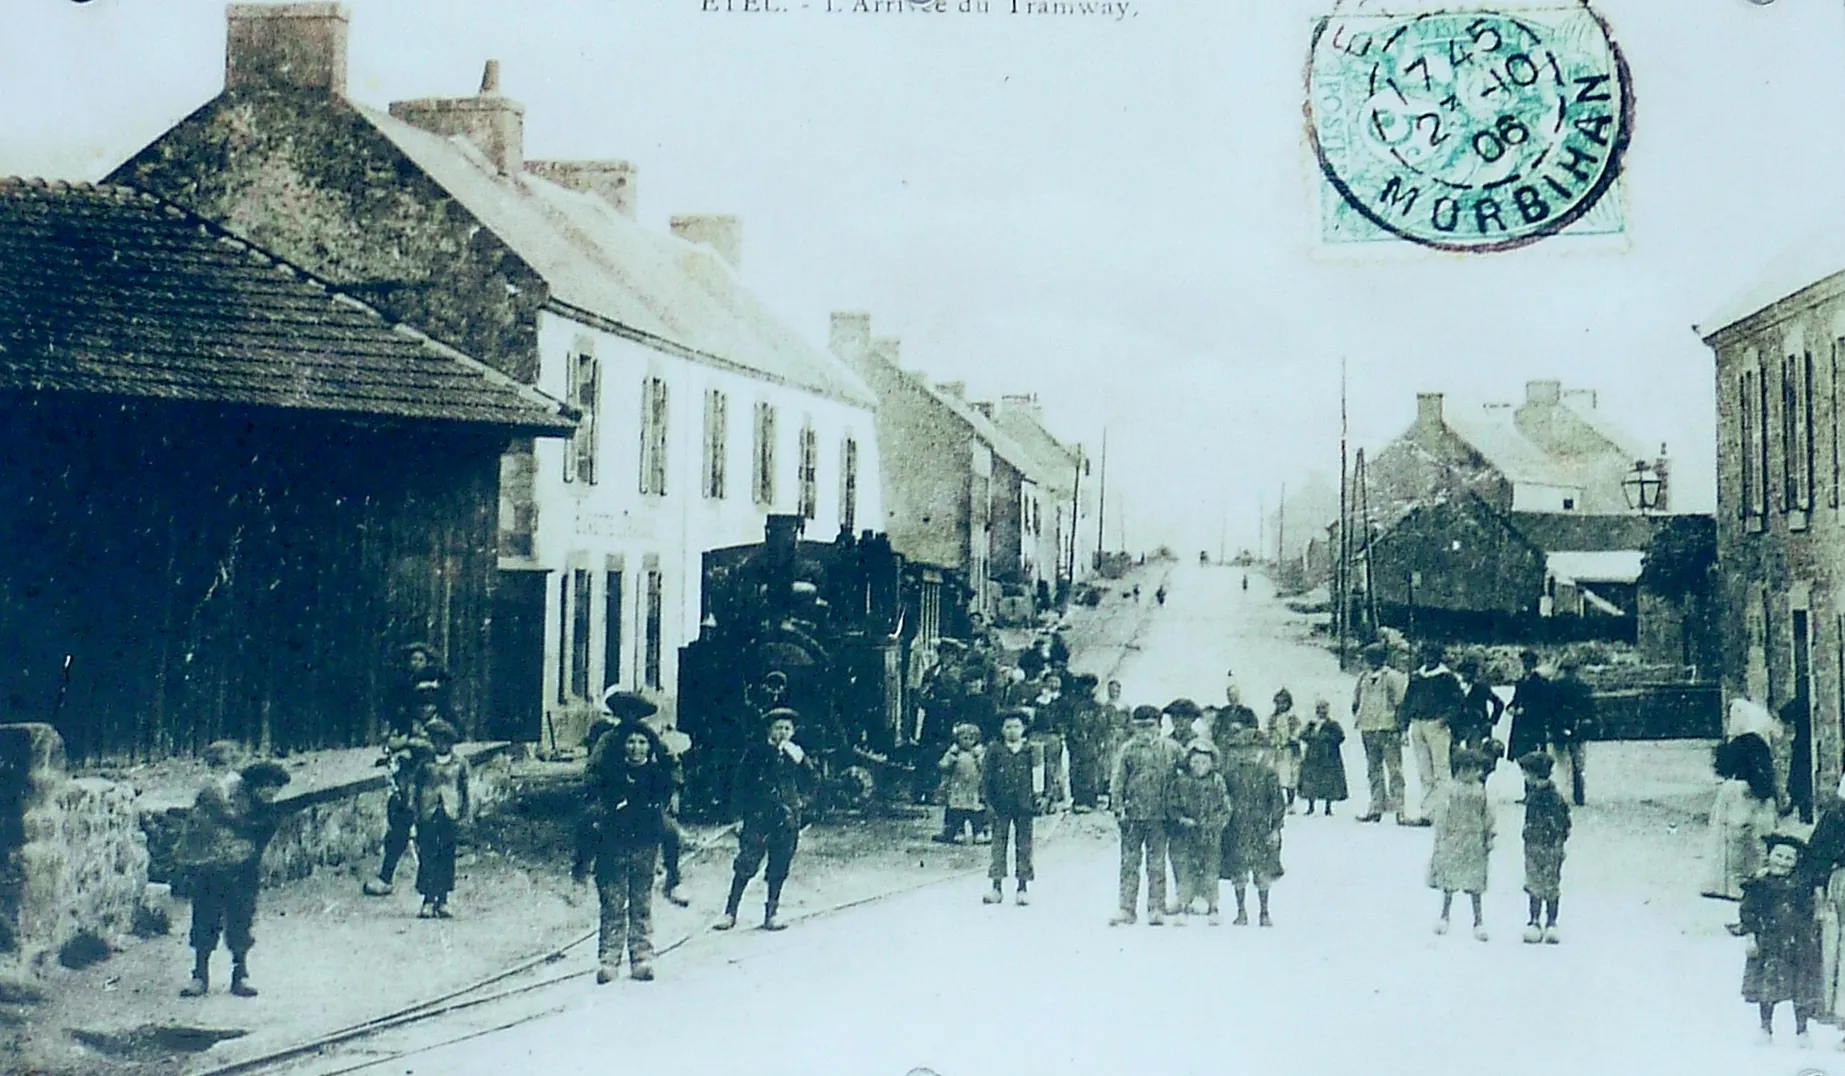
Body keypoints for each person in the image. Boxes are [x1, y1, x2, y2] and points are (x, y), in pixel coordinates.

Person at [175, 754, 291, 998]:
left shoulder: (268, 813)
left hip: (243, 873)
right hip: (212, 870)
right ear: (255, 786)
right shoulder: (226, 798)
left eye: (275, 789)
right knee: (204, 920)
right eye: (267, 787)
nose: (271, 793)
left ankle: (240, 975)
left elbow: (254, 835)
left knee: (241, 923)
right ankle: (199, 975)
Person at [577, 718, 672, 983]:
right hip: (613, 844)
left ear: (650, 747)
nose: (636, 747)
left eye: (642, 742)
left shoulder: (657, 776)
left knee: (641, 901)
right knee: (612, 903)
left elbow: (661, 803)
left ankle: (641, 957)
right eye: (631, 742)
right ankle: (608, 960)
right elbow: (597, 802)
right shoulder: (610, 775)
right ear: (623, 746)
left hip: (644, 844)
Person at [715, 707, 816, 932]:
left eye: (787, 728)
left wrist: (802, 803)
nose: (783, 732)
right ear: (769, 729)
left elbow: (813, 780)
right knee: (746, 864)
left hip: (787, 819)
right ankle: (730, 912)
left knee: (779, 866)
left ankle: (771, 914)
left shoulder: (796, 755)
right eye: (778, 727)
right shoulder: (755, 752)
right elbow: (739, 785)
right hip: (758, 818)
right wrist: (738, 817)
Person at [363, 645, 450, 897]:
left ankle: (433, 891)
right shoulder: (405, 718)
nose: (425, 706)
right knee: (399, 826)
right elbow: (392, 742)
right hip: (408, 778)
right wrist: (401, 744)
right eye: (420, 701)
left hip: (433, 783)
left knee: (429, 834)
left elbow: (445, 745)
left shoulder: (443, 723)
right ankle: (386, 877)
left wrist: (416, 744)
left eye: (430, 700)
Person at [1741, 835, 1823, 1046]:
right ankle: (1765, 1027)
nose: (1783, 861)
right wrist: (1751, 938)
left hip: (1799, 942)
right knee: (1767, 987)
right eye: (1778, 855)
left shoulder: (1801, 883)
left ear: (1796, 862)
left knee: (1801, 986)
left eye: (1789, 858)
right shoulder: (1758, 884)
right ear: (1769, 856)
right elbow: (1748, 913)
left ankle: (1802, 1031)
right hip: (1770, 942)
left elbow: (1811, 908)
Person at [1110, 705, 1179, 926]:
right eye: (1139, 727)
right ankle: (1127, 908)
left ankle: (1156, 907)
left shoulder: (1172, 749)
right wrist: (1118, 807)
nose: (1144, 732)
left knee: (1156, 863)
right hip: (1132, 815)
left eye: (1149, 726)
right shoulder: (1127, 750)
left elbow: (1187, 776)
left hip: (1160, 816)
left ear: (1159, 727)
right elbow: (1117, 780)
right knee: (1130, 862)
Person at [1702, 732, 1780, 905]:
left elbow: (1718, 828)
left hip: (1734, 863)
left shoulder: (1730, 789)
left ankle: (1726, 885)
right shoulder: (1766, 791)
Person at [1220, 727, 1286, 927]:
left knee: (1262, 872)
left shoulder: (1268, 775)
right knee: (1238, 872)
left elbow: (1277, 803)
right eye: (1242, 749)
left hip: (1261, 829)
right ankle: (1241, 911)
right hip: (1236, 828)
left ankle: (1264, 912)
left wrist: (1275, 828)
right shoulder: (1229, 775)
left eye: (1252, 749)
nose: (1247, 753)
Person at [1428, 747, 1494, 941]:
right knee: (1450, 882)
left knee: (1475, 884)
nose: (1476, 773)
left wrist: (1489, 835)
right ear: (1461, 770)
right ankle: (1444, 915)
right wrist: (1441, 838)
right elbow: (1442, 816)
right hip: (1454, 840)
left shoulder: (1480, 791)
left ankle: (1478, 920)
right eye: (1472, 769)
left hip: (1474, 841)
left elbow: (1487, 815)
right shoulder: (1450, 791)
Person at [981, 709, 1045, 906]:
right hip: (1000, 805)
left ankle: (1022, 887)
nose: (1012, 731)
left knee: (1024, 845)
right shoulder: (995, 750)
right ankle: (996, 887)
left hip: (1024, 805)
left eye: (1016, 726)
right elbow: (986, 777)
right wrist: (987, 801)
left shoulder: (1031, 750)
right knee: (998, 845)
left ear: (1024, 728)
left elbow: (1039, 774)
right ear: (1001, 729)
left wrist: (1040, 796)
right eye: (1008, 727)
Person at [1399, 642, 1466, 828]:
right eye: (1425, 654)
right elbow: (1407, 702)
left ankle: (1445, 813)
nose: (1428, 658)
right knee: (1424, 772)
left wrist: (1445, 720)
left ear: (1438, 657)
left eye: (1432, 655)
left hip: (1437, 725)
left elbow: (1458, 703)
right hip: (1418, 725)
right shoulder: (1417, 677)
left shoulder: (1446, 678)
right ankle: (1428, 813)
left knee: (1441, 770)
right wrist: (1404, 727)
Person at [1799, 772, 1845, 1035]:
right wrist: (1818, 887)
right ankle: (1837, 1008)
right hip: (1841, 881)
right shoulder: (1837, 815)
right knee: (1835, 946)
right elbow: (1818, 853)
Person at [411, 718, 470, 919]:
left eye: (444, 741)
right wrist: (416, 813)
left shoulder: (460, 764)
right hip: (428, 812)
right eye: (436, 740)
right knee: (427, 854)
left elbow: (464, 790)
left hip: (449, 812)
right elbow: (416, 789)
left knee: (446, 855)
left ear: (451, 743)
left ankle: (443, 899)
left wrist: (464, 813)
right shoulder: (425, 764)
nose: (440, 744)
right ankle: (428, 899)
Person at [1170, 740, 1230, 924]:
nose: (1199, 767)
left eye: (1204, 762)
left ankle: (1212, 906)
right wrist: (1181, 819)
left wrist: (1215, 823)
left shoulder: (1217, 781)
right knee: (1184, 868)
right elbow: (1172, 805)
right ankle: (1184, 905)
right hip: (1185, 833)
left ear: (1212, 763)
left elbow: (1225, 808)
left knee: (1210, 869)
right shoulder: (1181, 781)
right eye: (1195, 762)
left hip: (1210, 833)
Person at [1352, 643, 1409, 824]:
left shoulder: (1392, 677)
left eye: (1375, 658)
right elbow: (1356, 701)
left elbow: (1400, 703)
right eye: (1369, 658)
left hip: (1388, 727)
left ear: (1382, 659)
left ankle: (1400, 809)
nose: (1371, 662)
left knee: (1394, 770)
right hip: (1368, 728)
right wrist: (1360, 716)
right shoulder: (1363, 677)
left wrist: (1400, 727)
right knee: (1373, 769)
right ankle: (1375, 807)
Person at [1518, 751, 1571, 944]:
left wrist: (1556, 839)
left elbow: (1562, 823)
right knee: (1542, 884)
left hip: (1546, 846)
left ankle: (1545, 921)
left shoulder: (1550, 798)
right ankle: (1543, 921)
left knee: (1543, 885)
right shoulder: (1544, 795)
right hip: (1536, 845)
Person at [1548, 655, 1594, 806]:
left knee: (1563, 762)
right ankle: (1577, 793)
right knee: (1577, 763)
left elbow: (1551, 709)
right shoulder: (1583, 686)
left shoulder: (1555, 686)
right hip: (1576, 728)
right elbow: (1590, 709)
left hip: (1561, 727)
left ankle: (1565, 793)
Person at [934, 722, 988, 845]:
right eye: (964, 738)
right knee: (956, 811)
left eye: (971, 739)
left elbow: (985, 767)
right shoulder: (954, 753)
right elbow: (943, 765)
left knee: (977, 812)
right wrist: (950, 759)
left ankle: (979, 832)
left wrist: (979, 758)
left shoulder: (978, 754)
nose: (967, 741)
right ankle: (958, 832)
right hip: (957, 787)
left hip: (973, 788)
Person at [1297, 699, 1348, 817]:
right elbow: (1302, 735)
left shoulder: (1332, 725)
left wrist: (1327, 738)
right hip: (1313, 756)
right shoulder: (1312, 724)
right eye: (1319, 709)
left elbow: (1340, 737)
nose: (1321, 711)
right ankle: (1310, 806)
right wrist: (1312, 737)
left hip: (1328, 756)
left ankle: (1328, 807)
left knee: (1328, 782)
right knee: (1311, 781)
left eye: (1324, 708)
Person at [1450, 656, 1504, 764]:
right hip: (1459, 726)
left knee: (1477, 755)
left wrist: (1491, 721)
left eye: (1469, 673)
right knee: (1454, 754)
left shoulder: (1481, 688)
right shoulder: (1456, 688)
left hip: (1478, 726)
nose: (1466, 676)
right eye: (1463, 673)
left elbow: (1499, 704)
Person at [1066, 674, 1108, 812]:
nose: (1086, 690)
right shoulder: (1073, 705)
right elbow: (1070, 723)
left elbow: (1100, 724)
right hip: (1076, 743)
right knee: (1076, 770)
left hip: (1091, 742)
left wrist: (1092, 737)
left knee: (1090, 770)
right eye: (1084, 686)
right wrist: (1074, 736)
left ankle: (1090, 800)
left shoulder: (1097, 706)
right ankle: (1078, 799)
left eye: (1089, 687)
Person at [1505, 650, 1551, 768]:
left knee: (1534, 759)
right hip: (1520, 726)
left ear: (1533, 665)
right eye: (1524, 662)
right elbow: (1516, 699)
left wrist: (1526, 710)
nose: (1526, 665)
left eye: (1528, 663)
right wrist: (1510, 707)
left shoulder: (1541, 682)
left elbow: (1543, 704)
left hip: (1534, 725)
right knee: (1519, 757)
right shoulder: (1520, 682)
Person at [1265, 689, 1303, 811]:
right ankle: (1278, 802)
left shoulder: (1293, 718)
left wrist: (1291, 739)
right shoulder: (1272, 718)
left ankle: (1291, 802)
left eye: (1284, 703)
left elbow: (1297, 731)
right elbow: (1269, 732)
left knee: (1291, 778)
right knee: (1278, 776)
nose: (1281, 706)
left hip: (1290, 751)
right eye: (1279, 703)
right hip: (1278, 751)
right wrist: (1273, 740)